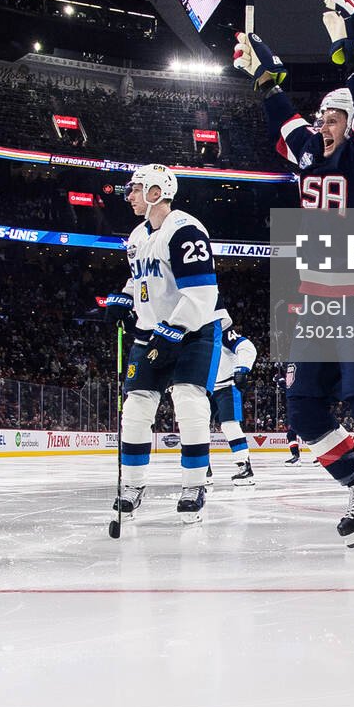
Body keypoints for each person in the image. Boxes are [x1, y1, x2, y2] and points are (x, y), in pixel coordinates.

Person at [235, 0, 354, 552]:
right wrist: (264, 77)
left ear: (352, 120)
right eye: (322, 117)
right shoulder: (312, 152)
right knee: (305, 406)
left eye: (332, 117)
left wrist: (352, 49)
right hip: (318, 300)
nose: (322, 124)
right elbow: (284, 122)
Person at [108, 163, 226, 527]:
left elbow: (203, 292)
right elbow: (141, 280)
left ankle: (193, 487)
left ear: (156, 192)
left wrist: (173, 330)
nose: (128, 195)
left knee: (189, 402)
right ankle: (133, 485)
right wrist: (123, 297)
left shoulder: (185, 230)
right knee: (137, 408)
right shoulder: (137, 236)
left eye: (135, 188)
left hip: (193, 331)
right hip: (152, 331)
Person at [212, 314, 259, 483]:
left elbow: (247, 347)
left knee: (230, 425)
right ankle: (202, 468)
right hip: (204, 387)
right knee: (197, 427)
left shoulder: (224, 332)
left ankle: (243, 465)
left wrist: (242, 369)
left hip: (226, 386)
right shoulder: (191, 333)